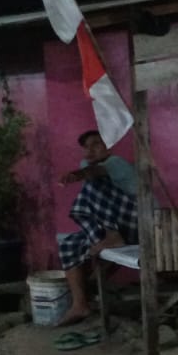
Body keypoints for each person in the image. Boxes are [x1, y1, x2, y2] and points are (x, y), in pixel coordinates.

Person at [55, 129, 138, 325]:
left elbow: (95, 172)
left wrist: (76, 175)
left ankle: (112, 236)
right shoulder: (87, 165)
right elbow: (89, 170)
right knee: (68, 245)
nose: (90, 150)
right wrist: (80, 173)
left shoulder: (116, 162)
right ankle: (80, 305)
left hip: (138, 223)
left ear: (108, 147)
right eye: (86, 147)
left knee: (93, 183)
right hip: (117, 225)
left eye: (96, 144)